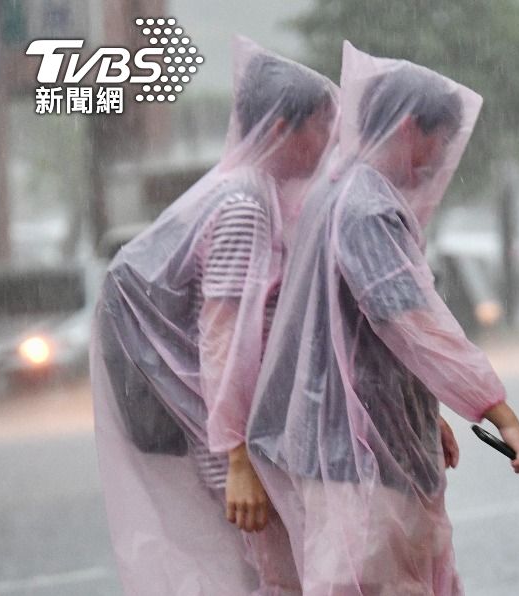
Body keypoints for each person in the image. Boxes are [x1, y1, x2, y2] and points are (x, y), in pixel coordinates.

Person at [247, 42, 519, 596]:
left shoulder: (336, 193)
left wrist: (422, 410)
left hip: (349, 445)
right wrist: (499, 413)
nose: (439, 159)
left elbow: (356, 333)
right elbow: (411, 322)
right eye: (440, 141)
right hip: (357, 457)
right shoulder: (367, 208)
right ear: (411, 126)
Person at [91, 37, 338, 595]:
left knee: (276, 579)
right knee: (281, 580)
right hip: (240, 446)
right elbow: (224, 337)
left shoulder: (241, 193)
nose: (330, 141)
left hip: (244, 440)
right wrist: (238, 459)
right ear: (281, 129)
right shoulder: (244, 207)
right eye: (322, 125)